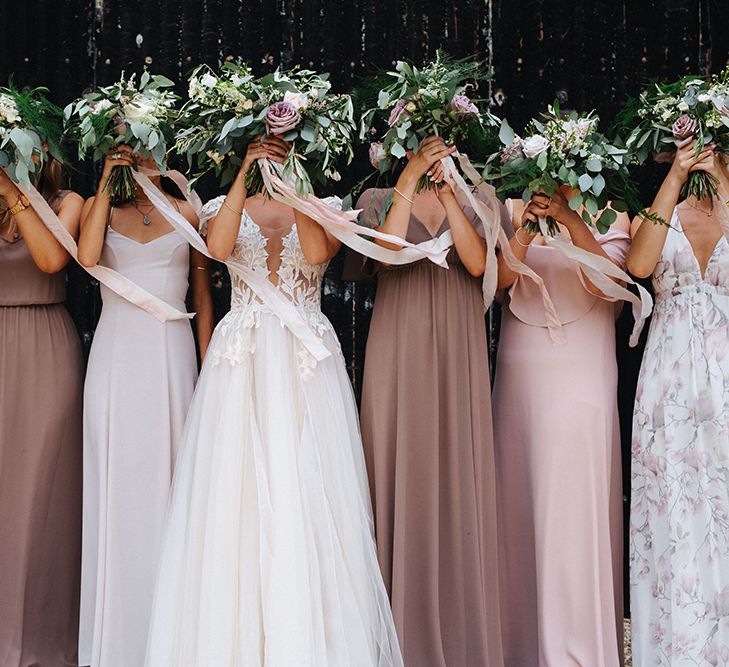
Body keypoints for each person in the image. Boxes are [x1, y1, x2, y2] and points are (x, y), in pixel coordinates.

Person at [144, 136, 402, 666]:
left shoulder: (324, 208)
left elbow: (313, 254)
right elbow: (215, 250)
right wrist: (244, 173)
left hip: (305, 360)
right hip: (243, 357)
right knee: (235, 494)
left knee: (307, 488)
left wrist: (296, 186)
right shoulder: (222, 206)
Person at [344, 136, 504, 666]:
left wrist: (455, 192)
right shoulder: (377, 199)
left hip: (456, 341)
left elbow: (479, 266)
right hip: (399, 337)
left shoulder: (481, 197)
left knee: (456, 467)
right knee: (397, 460)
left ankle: (459, 629)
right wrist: (410, 182)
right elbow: (385, 257)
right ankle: (395, 629)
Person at [77, 145, 213, 667]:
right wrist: (110, 180)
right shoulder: (100, 208)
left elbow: (202, 295)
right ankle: (117, 639)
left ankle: (174, 634)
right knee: (119, 484)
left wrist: (207, 371)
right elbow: (86, 259)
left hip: (173, 354)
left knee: (174, 482)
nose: (134, 155)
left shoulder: (187, 211)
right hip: (116, 357)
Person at [493, 189, 630, 666]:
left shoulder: (613, 212)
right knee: (519, 496)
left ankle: (578, 651)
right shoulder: (511, 208)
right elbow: (499, 283)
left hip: (585, 365)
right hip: (524, 364)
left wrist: (571, 220)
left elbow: (610, 287)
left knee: (575, 501)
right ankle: (521, 649)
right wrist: (528, 227)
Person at [628, 139, 729, 665]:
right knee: (673, 507)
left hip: (726, 379)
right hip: (669, 380)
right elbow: (641, 264)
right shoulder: (659, 207)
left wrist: (723, 182)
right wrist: (675, 180)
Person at [0, 155, 85, 667]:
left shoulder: (66, 203)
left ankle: (38, 641)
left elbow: (52, 260)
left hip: (44, 343)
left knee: (40, 497)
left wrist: (13, 192)